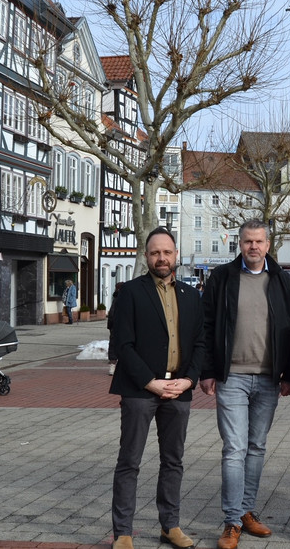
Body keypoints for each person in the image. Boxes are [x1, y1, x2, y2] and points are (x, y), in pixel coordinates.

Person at [200, 219, 290, 549]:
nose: (253, 247)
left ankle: (246, 512)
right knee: (235, 448)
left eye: (259, 241)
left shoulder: (282, 280)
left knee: (256, 447)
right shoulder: (222, 277)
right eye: (247, 241)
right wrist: (207, 371)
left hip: (269, 378)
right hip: (233, 377)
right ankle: (231, 521)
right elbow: (207, 323)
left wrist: (289, 373)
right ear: (239, 244)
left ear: (269, 245)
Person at [109, 227, 205, 549]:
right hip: (141, 390)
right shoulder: (131, 293)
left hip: (179, 389)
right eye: (155, 252)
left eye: (167, 252)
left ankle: (170, 526)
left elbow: (200, 344)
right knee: (130, 461)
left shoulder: (191, 296)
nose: (161, 258)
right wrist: (150, 382)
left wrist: (189, 380)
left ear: (176, 255)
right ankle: (123, 532)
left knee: (173, 461)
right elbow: (122, 343)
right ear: (147, 256)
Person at [107, 282, 125, 376]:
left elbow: (111, 314)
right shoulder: (124, 298)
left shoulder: (116, 298)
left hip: (115, 326)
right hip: (122, 325)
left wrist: (110, 326)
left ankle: (113, 366)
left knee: (113, 345)